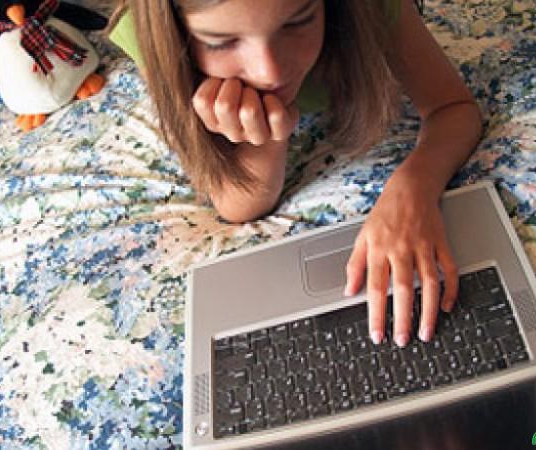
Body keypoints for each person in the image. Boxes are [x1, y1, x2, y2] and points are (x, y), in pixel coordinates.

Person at [108, 0, 483, 348]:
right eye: (220, 42)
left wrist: (412, 187)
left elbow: (453, 108)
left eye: (299, 21)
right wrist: (268, 131)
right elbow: (238, 205)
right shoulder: (151, 33)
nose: (268, 71)